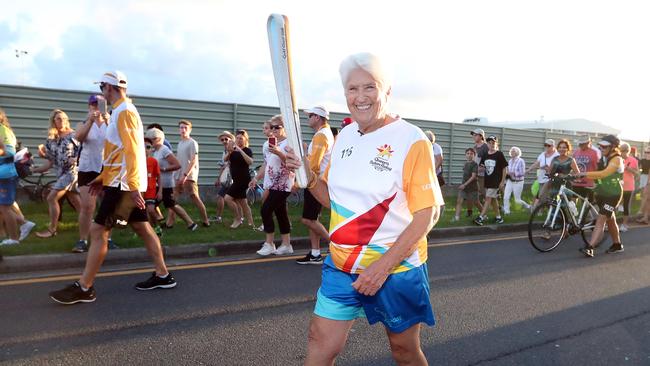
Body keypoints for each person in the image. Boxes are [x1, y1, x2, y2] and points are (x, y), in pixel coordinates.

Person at [286, 52, 443, 365]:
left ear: (386, 91)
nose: (360, 97)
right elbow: (334, 200)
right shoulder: (343, 136)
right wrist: (309, 176)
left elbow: (428, 214)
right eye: (352, 89)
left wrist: (381, 268)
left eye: (369, 87)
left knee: (404, 351)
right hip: (341, 265)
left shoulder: (412, 140)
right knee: (320, 343)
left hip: (395, 269)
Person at [49, 71, 176, 305]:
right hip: (119, 180)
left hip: (124, 185)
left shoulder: (124, 111)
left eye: (102, 88)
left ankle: (85, 287)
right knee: (142, 227)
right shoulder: (120, 111)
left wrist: (135, 187)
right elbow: (116, 151)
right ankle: (163, 275)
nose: (101, 93)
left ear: (109, 87)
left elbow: (133, 149)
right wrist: (102, 177)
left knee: (98, 232)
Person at [72, 94, 120, 253]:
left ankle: (108, 238)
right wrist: (91, 121)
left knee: (108, 205)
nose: (96, 107)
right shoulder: (83, 123)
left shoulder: (111, 123)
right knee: (87, 207)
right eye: (93, 104)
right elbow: (79, 137)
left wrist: (108, 121)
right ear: (89, 106)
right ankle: (82, 240)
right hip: (87, 168)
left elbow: (117, 141)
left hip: (106, 169)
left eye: (99, 104)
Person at [33, 109, 82, 238]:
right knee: (76, 201)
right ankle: (92, 225)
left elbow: (85, 152)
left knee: (51, 197)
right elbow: (50, 162)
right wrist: (36, 166)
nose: (62, 121)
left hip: (72, 172)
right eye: (59, 119)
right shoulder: (51, 140)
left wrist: (76, 159)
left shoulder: (74, 135)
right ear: (53, 121)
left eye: (64, 118)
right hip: (60, 173)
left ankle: (52, 229)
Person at [252, 115, 295, 256]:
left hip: (283, 183)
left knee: (265, 210)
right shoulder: (273, 142)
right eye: (272, 127)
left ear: (285, 128)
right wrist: (256, 178)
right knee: (280, 212)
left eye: (277, 127)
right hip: (272, 183)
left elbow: (292, 163)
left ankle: (269, 243)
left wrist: (278, 152)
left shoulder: (290, 143)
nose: (273, 129)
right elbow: (266, 162)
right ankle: (286, 244)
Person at [575, 135, 625, 257]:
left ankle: (590, 247)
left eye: (604, 146)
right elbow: (599, 174)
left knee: (601, 218)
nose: (601, 148)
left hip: (613, 195)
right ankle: (617, 244)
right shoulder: (603, 157)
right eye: (600, 146)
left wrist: (584, 174)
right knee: (611, 220)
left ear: (613, 147)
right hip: (602, 192)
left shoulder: (616, 159)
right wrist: (595, 185)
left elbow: (604, 173)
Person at [296, 106, 333, 265]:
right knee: (313, 219)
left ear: (317, 117)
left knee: (308, 219)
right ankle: (315, 253)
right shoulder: (323, 134)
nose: (308, 118)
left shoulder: (321, 135)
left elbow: (314, 165)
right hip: (317, 182)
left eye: (310, 115)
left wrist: (300, 182)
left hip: (316, 183)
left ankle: (335, 244)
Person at [146, 128, 197, 231]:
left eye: (151, 140)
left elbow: (177, 165)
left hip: (167, 184)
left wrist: (163, 169)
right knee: (151, 207)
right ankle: (150, 228)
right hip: (158, 184)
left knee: (172, 205)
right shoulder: (155, 151)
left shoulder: (164, 150)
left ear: (158, 139)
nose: (149, 143)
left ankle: (191, 223)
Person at [173, 119, 210, 227]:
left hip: (189, 176)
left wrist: (185, 175)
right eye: (181, 127)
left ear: (190, 130)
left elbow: (194, 160)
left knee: (195, 197)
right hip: (178, 176)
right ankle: (169, 223)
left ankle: (205, 221)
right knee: (172, 200)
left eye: (185, 128)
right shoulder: (180, 143)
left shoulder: (192, 142)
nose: (183, 130)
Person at [224, 129, 255, 229]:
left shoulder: (247, 150)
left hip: (243, 180)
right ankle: (250, 223)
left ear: (245, 139)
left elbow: (250, 162)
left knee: (227, 198)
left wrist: (240, 150)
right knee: (243, 203)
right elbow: (225, 159)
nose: (238, 140)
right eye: (237, 138)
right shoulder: (233, 150)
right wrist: (230, 152)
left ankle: (238, 219)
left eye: (241, 138)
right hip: (236, 179)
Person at [474, 135, 508, 225]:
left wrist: (502, 182)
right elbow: (482, 167)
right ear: (487, 144)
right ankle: (498, 217)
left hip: (496, 181)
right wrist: (476, 169)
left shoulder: (499, 154)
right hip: (488, 180)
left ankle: (481, 217)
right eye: (489, 143)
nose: (491, 144)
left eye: (493, 143)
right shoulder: (485, 155)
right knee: (493, 199)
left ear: (496, 144)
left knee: (488, 198)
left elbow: (504, 168)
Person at [0, 108, 22, 246]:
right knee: (4, 206)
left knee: (5, 207)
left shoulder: (1, 129)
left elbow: (5, 151)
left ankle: (14, 238)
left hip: (5, 172)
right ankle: (23, 224)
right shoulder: (5, 129)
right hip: (5, 171)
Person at [526, 139, 559, 208]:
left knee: (542, 195)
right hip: (541, 178)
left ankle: (551, 210)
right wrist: (528, 170)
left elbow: (558, 168)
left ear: (553, 146)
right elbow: (536, 163)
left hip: (551, 179)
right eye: (545, 145)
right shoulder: (542, 154)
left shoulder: (557, 155)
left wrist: (549, 168)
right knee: (543, 196)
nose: (546, 147)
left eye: (549, 145)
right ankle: (549, 209)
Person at [212, 131, 235, 224]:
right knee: (237, 200)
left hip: (232, 177)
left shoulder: (232, 150)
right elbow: (222, 166)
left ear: (230, 139)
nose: (224, 141)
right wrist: (218, 178)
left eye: (226, 139)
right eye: (222, 140)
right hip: (227, 177)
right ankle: (240, 217)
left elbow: (228, 165)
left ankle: (219, 217)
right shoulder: (225, 151)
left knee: (221, 196)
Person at [453, 148, 480, 222]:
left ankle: (484, 215)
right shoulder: (465, 163)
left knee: (476, 202)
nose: (469, 155)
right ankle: (456, 218)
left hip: (472, 187)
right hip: (464, 187)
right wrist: (463, 184)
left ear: (474, 155)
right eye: (468, 153)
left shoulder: (475, 164)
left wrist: (464, 184)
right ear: (465, 155)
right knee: (459, 201)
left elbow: (473, 176)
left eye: (471, 154)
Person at [144, 139, 163, 237]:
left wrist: (160, 191)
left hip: (150, 190)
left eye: (148, 147)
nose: (145, 149)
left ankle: (157, 227)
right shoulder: (136, 161)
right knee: (142, 213)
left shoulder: (153, 161)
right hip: (140, 191)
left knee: (151, 210)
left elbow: (159, 176)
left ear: (151, 149)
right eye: (143, 147)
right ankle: (145, 231)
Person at [503, 146, 531, 215]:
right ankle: (507, 212)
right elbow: (508, 170)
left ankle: (528, 206)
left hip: (518, 182)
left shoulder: (521, 161)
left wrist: (514, 173)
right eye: (511, 151)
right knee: (506, 197)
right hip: (510, 181)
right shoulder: (509, 161)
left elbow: (522, 173)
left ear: (517, 153)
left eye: (514, 151)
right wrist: (507, 173)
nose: (512, 152)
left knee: (517, 200)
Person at [572, 136, 599, 202]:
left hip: (588, 183)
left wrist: (597, 182)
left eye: (582, 144)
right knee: (572, 203)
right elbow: (572, 166)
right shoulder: (576, 152)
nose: (580, 145)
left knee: (586, 204)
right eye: (579, 144)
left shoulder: (594, 153)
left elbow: (597, 168)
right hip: (576, 182)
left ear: (588, 143)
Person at [619, 142, 639, 232]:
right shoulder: (617, 159)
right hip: (618, 186)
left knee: (626, 206)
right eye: (620, 150)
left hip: (628, 187)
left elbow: (637, 174)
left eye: (623, 151)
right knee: (613, 205)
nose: (621, 152)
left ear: (628, 151)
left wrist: (628, 168)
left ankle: (624, 224)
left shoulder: (633, 160)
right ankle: (611, 223)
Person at [471, 128, 488, 208]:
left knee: (484, 192)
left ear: (481, 136)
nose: (473, 137)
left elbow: (488, 161)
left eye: (475, 135)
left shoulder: (486, 146)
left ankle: (496, 207)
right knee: (477, 191)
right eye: (473, 135)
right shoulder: (474, 147)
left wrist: (482, 168)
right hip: (476, 173)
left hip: (484, 174)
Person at [637, 147, 650, 223]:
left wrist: (648, 181)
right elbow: (639, 169)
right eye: (646, 152)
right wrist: (638, 176)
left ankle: (640, 210)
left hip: (648, 178)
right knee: (647, 200)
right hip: (643, 177)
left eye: (649, 152)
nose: (647, 153)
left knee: (645, 195)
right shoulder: (642, 160)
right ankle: (645, 218)